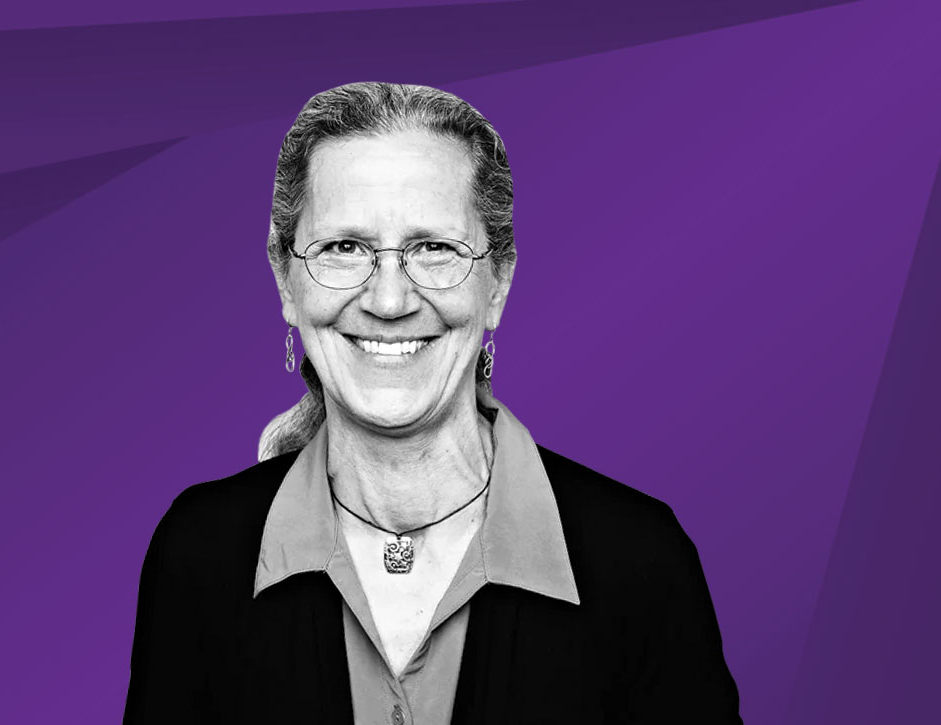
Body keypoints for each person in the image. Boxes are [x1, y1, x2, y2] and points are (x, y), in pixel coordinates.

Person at [123, 82, 742, 724]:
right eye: (344, 247)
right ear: (286, 281)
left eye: (434, 248)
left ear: (498, 283)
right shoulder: (198, 554)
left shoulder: (639, 561)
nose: (389, 301)